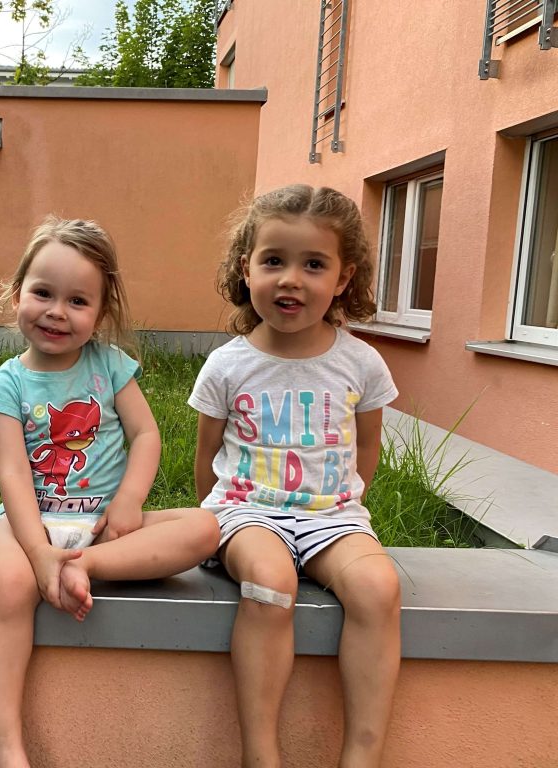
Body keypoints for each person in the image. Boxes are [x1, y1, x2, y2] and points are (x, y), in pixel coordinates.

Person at [0, 216, 220, 768]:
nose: (57, 311)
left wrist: (129, 500)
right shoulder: (8, 383)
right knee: (5, 589)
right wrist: (36, 551)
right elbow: (12, 474)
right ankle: (8, 749)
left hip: (107, 527)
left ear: (100, 314)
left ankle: (88, 564)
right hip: (28, 525)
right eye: (42, 293)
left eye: (78, 301)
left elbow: (146, 434)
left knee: (206, 526)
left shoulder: (110, 366)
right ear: (17, 296)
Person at [191, 184, 401, 767]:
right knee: (268, 581)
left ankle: (361, 757)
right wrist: (221, 530)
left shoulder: (361, 362)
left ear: (342, 278)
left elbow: (368, 449)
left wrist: (340, 513)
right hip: (246, 513)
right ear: (246, 268)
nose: (291, 279)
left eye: (314, 264)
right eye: (274, 261)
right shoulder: (228, 364)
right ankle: (262, 755)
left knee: (379, 588)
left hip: (332, 517)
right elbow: (206, 461)